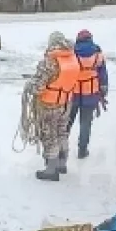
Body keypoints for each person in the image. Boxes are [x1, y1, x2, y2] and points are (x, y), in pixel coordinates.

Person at [27, 32, 79, 181]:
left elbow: (38, 87)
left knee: (50, 135)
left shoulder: (49, 61)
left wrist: (30, 86)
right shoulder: (72, 58)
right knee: (62, 132)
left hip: (49, 104)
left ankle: (51, 170)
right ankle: (62, 164)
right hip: (66, 103)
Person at [67, 29, 109, 159]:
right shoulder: (98, 54)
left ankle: (61, 148)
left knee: (67, 122)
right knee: (85, 124)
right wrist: (103, 91)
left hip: (73, 93)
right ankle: (82, 150)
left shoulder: (72, 53)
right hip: (90, 94)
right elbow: (103, 75)